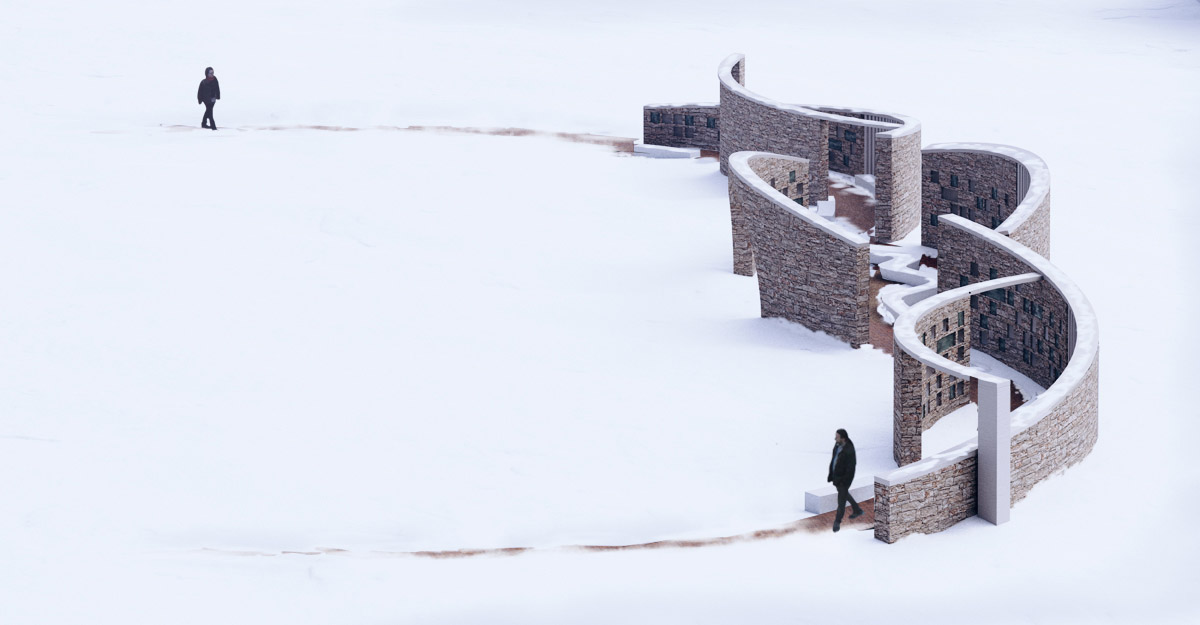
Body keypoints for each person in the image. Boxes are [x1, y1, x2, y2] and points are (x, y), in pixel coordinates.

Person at [827, 428, 864, 532]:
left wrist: (844, 481)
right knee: (843, 493)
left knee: (841, 501)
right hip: (836, 477)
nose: (835, 439)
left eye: (837, 437)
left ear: (843, 438)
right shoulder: (838, 445)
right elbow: (834, 459)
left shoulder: (849, 450)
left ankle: (837, 522)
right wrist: (831, 474)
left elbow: (851, 468)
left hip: (843, 480)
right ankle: (857, 510)